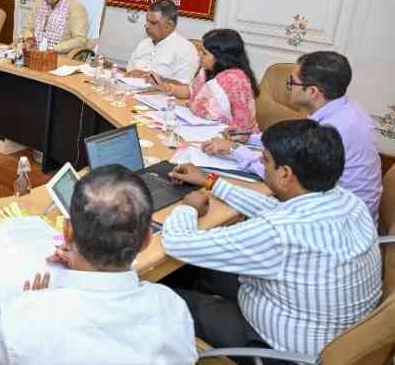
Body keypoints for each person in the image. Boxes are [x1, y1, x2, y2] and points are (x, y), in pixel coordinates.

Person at [164, 119, 382, 358]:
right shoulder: (349, 201)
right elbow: (275, 210)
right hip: (337, 333)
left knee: (164, 296)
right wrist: (211, 182)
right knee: (202, 271)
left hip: (283, 351)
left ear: (285, 174)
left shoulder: (279, 233)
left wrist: (189, 208)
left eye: (265, 159)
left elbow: (177, 243)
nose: (260, 162)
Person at [0, 165, 197, 365]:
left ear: (67, 231)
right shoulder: (174, 309)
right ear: (146, 241)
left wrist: (29, 305)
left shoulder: (19, 316)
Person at [203, 50, 382, 220]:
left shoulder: (333, 129)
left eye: (292, 82)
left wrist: (234, 149)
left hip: (335, 221)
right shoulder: (346, 108)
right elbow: (293, 144)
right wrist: (249, 137)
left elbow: (286, 176)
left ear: (312, 91)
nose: (289, 87)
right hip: (345, 209)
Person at [150, 29, 259, 132]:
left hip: (234, 137)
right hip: (205, 128)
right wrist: (165, 87)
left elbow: (243, 125)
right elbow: (191, 92)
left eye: (204, 53)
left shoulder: (235, 80)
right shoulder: (207, 70)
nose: (199, 55)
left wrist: (189, 104)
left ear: (221, 57)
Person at [125, 0, 199, 83]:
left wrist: (154, 79)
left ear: (170, 25)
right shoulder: (144, 43)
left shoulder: (186, 49)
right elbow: (129, 72)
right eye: (147, 21)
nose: (147, 26)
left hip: (159, 91)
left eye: (153, 23)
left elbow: (184, 85)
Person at [22, 0, 89, 55]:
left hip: (58, 56)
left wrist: (55, 49)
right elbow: (28, 27)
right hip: (34, 53)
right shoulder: (39, 3)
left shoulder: (75, 8)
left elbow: (80, 40)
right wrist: (29, 39)